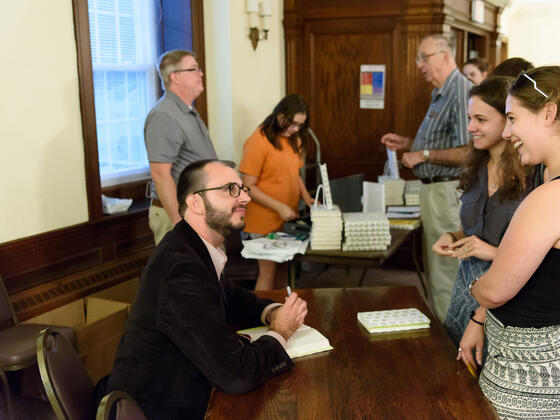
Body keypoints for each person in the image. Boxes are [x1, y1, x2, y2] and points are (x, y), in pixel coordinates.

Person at [107, 159, 308, 419]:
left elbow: (229, 297)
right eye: (230, 189)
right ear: (196, 203)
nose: (245, 198)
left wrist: (271, 312)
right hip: (159, 408)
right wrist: (281, 330)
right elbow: (237, 375)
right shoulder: (180, 270)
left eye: (242, 189)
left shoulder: (191, 245)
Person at [470, 66, 560, 419]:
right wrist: (479, 320)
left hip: (529, 378)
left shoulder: (550, 198)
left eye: (512, 118)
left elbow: (494, 290)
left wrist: (477, 286)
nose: (507, 132)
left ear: (549, 113)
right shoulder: (545, 179)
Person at [432, 76, 532, 369]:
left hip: (508, 290)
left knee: (486, 373)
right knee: (455, 366)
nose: (471, 127)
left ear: (508, 120)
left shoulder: (532, 173)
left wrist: (487, 251)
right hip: (466, 283)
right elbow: (473, 231)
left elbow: (538, 260)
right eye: (469, 118)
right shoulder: (475, 167)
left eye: (480, 119)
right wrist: (451, 235)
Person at [381, 34, 472, 321]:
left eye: (424, 57)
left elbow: (469, 151)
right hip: (435, 192)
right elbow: (445, 143)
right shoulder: (440, 92)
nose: (419, 64)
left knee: (445, 272)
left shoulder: (460, 92)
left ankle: (450, 349)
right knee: (436, 270)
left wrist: (423, 155)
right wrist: (409, 144)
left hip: (447, 193)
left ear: (445, 56)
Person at [239, 94, 315, 290]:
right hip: (262, 221)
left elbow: (294, 175)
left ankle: (282, 313)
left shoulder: (293, 140)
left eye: (300, 125)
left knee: (284, 269)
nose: (296, 129)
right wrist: (279, 206)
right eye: (293, 124)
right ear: (280, 116)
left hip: (286, 219)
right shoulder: (258, 141)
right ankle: (260, 316)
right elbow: (247, 186)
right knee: (268, 271)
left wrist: (307, 199)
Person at [145, 50, 218, 244]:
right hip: (180, 215)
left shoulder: (187, 111)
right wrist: (181, 225)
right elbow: (160, 173)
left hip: (200, 211)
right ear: (175, 77)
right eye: (193, 69)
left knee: (209, 272)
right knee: (186, 273)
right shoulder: (164, 115)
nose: (200, 74)